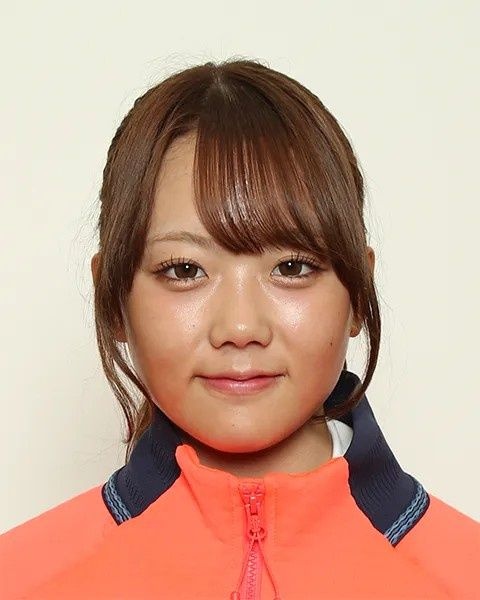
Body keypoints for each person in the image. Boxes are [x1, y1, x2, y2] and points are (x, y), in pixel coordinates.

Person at [1, 58, 478, 600]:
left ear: (357, 295)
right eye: (184, 270)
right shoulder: (20, 579)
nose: (241, 326)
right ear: (113, 300)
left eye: (292, 267)